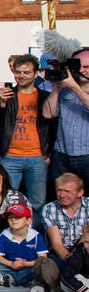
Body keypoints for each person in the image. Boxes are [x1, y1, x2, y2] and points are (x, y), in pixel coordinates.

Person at [0, 54, 55, 220]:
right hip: (10, 156)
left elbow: (52, 127)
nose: (21, 76)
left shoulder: (44, 97)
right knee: (7, 202)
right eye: (18, 72)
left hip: (37, 157)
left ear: (35, 74)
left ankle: (35, 240)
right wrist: (2, 103)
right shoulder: (6, 94)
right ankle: (8, 241)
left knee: (38, 203)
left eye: (26, 72)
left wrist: (48, 154)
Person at [42, 49, 89, 193]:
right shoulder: (64, 90)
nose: (82, 70)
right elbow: (47, 114)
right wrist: (56, 86)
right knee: (63, 197)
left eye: (86, 67)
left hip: (87, 155)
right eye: (78, 66)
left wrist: (74, 87)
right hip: (62, 155)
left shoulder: (72, 88)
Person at [38, 173, 89, 292]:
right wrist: (72, 262)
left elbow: (86, 237)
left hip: (84, 251)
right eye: (59, 191)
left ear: (80, 193)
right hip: (61, 254)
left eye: (67, 191)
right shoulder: (49, 209)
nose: (62, 195)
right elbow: (56, 244)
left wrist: (80, 260)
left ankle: (63, 287)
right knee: (52, 266)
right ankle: (60, 284)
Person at [0, 202, 46, 287]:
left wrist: (25, 264)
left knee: (43, 267)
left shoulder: (35, 236)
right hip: (9, 267)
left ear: (28, 221)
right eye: (10, 218)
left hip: (28, 267)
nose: (13, 220)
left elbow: (43, 258)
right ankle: (22, 280)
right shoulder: (4, 235)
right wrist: (11, 264)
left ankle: (10, 280)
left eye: (18, 217)